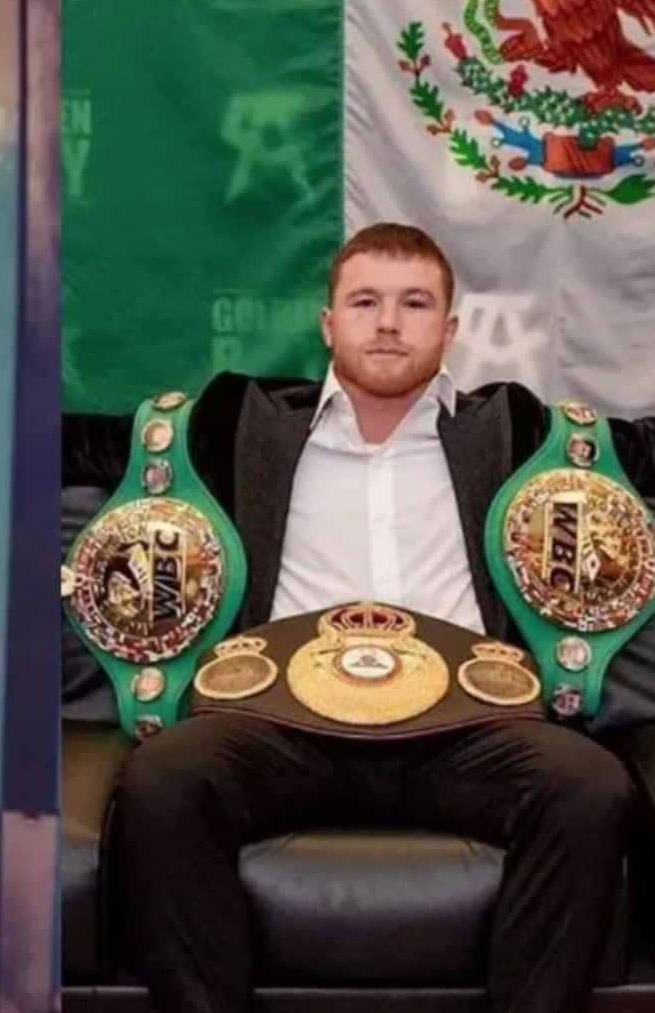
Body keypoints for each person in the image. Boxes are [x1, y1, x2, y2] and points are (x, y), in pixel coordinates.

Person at [90, 222, 655, 1013]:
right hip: (280, 725)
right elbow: (76, 445)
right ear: (328, 324)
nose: (388, 322)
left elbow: (642, 451)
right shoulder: (239, 425)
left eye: (414, 303)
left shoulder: (515, 432)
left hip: (464, 731)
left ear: (449, 329)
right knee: (165, 776)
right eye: (365, 301)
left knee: (589, 784)